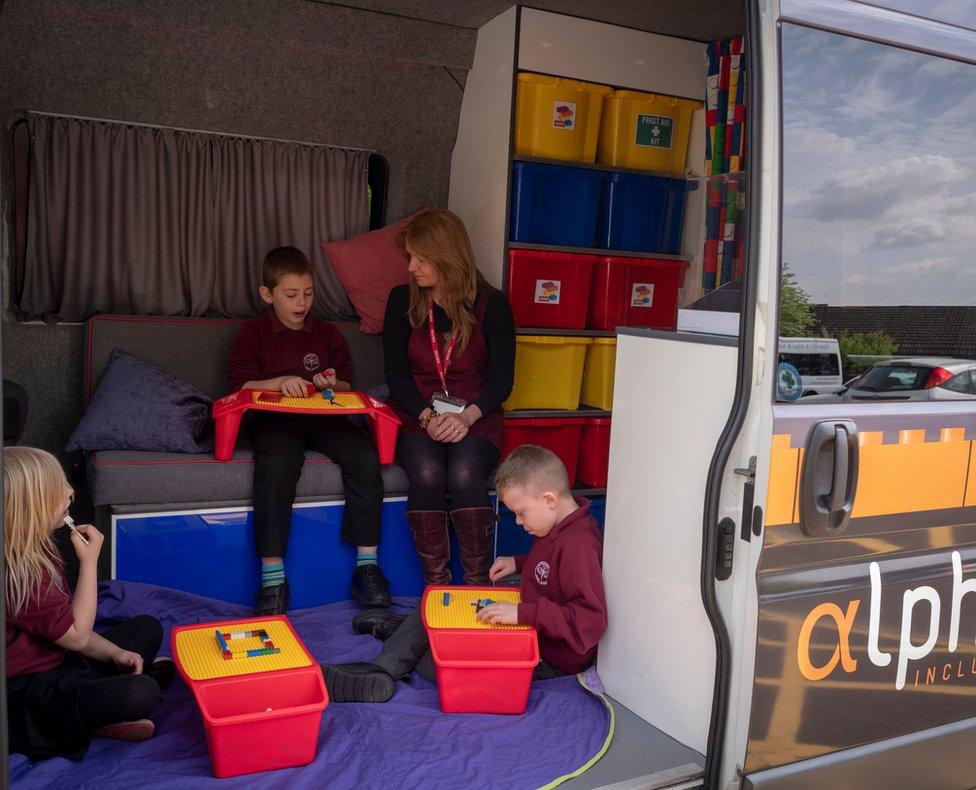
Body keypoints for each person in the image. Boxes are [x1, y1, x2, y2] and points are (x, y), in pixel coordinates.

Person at [319, 445, 608, 703]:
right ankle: (401, 647)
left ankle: (388, 664)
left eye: (521, 513)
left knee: (436, 664)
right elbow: (552, 569)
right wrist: (520, 563)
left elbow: (590, 621)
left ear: (549, 499)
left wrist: (523, 614)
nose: (519, 522)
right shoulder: (555, 524)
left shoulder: (579, 545)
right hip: (530, 632)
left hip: (545, 657)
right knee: (438, 602)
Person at [227, 246, 391, 614]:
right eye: (290, 295)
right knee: (276, 465)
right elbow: (239, 385)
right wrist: (279, 382)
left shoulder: (327, 335)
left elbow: (347, 386)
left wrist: (331, 382)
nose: (301, 303)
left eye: (308, 293)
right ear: (267, 294)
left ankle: (367, 566)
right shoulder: (253, 334)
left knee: (364, 456)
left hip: (324, 416)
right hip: (276, 421)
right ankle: (272, 578)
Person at [5, 447, 175, 760]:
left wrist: (115, 652)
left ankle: (98, 707)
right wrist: (89, 563)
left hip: (60, 659)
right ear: (29, 510)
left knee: (147, 628)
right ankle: (89, 720)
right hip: (31, 691)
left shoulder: (36, 551)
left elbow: (66, 630)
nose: (71, 491)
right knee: (142, 691)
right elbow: (78, 636)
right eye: (58, 492)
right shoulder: (20, 575)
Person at [382, 209, 515, 587]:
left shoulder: (493, 305)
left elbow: (502, 382)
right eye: (410, 257)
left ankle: (475, 584)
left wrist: (466, 418)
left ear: (447, 257)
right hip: (416, 412)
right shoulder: (400, 301)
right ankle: (436, 585)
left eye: (420, 259)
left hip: (476, 412)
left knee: (463, 472)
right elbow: (396, 375)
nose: (411, 267)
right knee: (426, 473)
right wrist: (427, 417)